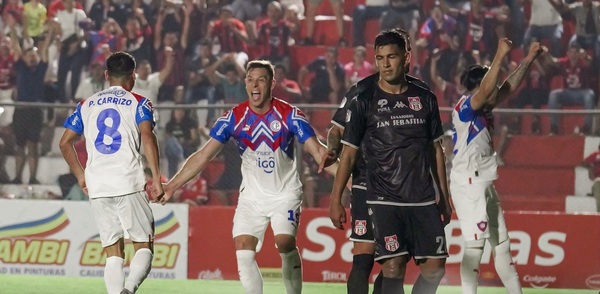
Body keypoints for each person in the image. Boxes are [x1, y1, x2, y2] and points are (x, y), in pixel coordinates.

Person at [159, 60, 336, 294]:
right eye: (250, 79)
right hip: (251, 197)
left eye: (261, 80)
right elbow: (203, 155)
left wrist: (352, 181)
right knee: (243, 248)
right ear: (245, 83)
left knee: (284, 243)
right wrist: (171, 185)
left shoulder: (290, 115)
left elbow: (317, 151)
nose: (255, 85)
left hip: (285, 194)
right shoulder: (234, 117)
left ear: (271, 84)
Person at [328, 29, 452, 294]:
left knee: (435, 267)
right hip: (381, 196)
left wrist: (444, 195)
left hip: (421, 197)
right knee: (391, 266)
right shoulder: (363, 97)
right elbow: (347, 151)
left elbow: (435, 150)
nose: (385, 64)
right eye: (380, 58)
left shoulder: (425, 97)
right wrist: (335, 198)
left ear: (406, 57)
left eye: (391, 57)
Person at [59, 52, 163, 294]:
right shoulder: (140, 102)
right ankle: (129, 289)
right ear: (133, 76)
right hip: (127, 180)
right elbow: (147, 136)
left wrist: (80, 175)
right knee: (143, 245)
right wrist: (156, 178)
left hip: (98, 183)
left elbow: (65, 143)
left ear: (107, 76)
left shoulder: (86, 104)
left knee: (113, 253)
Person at [450, 39, 545, 294]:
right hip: (468, 182)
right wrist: (500, 55)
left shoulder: (485, 105)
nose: (496, 89)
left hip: (484, 181)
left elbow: (508, 86)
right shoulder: (466, 106)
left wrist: (529, 58)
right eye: (489, 83)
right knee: (475, 247)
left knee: (502, 245)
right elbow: (489, 89)